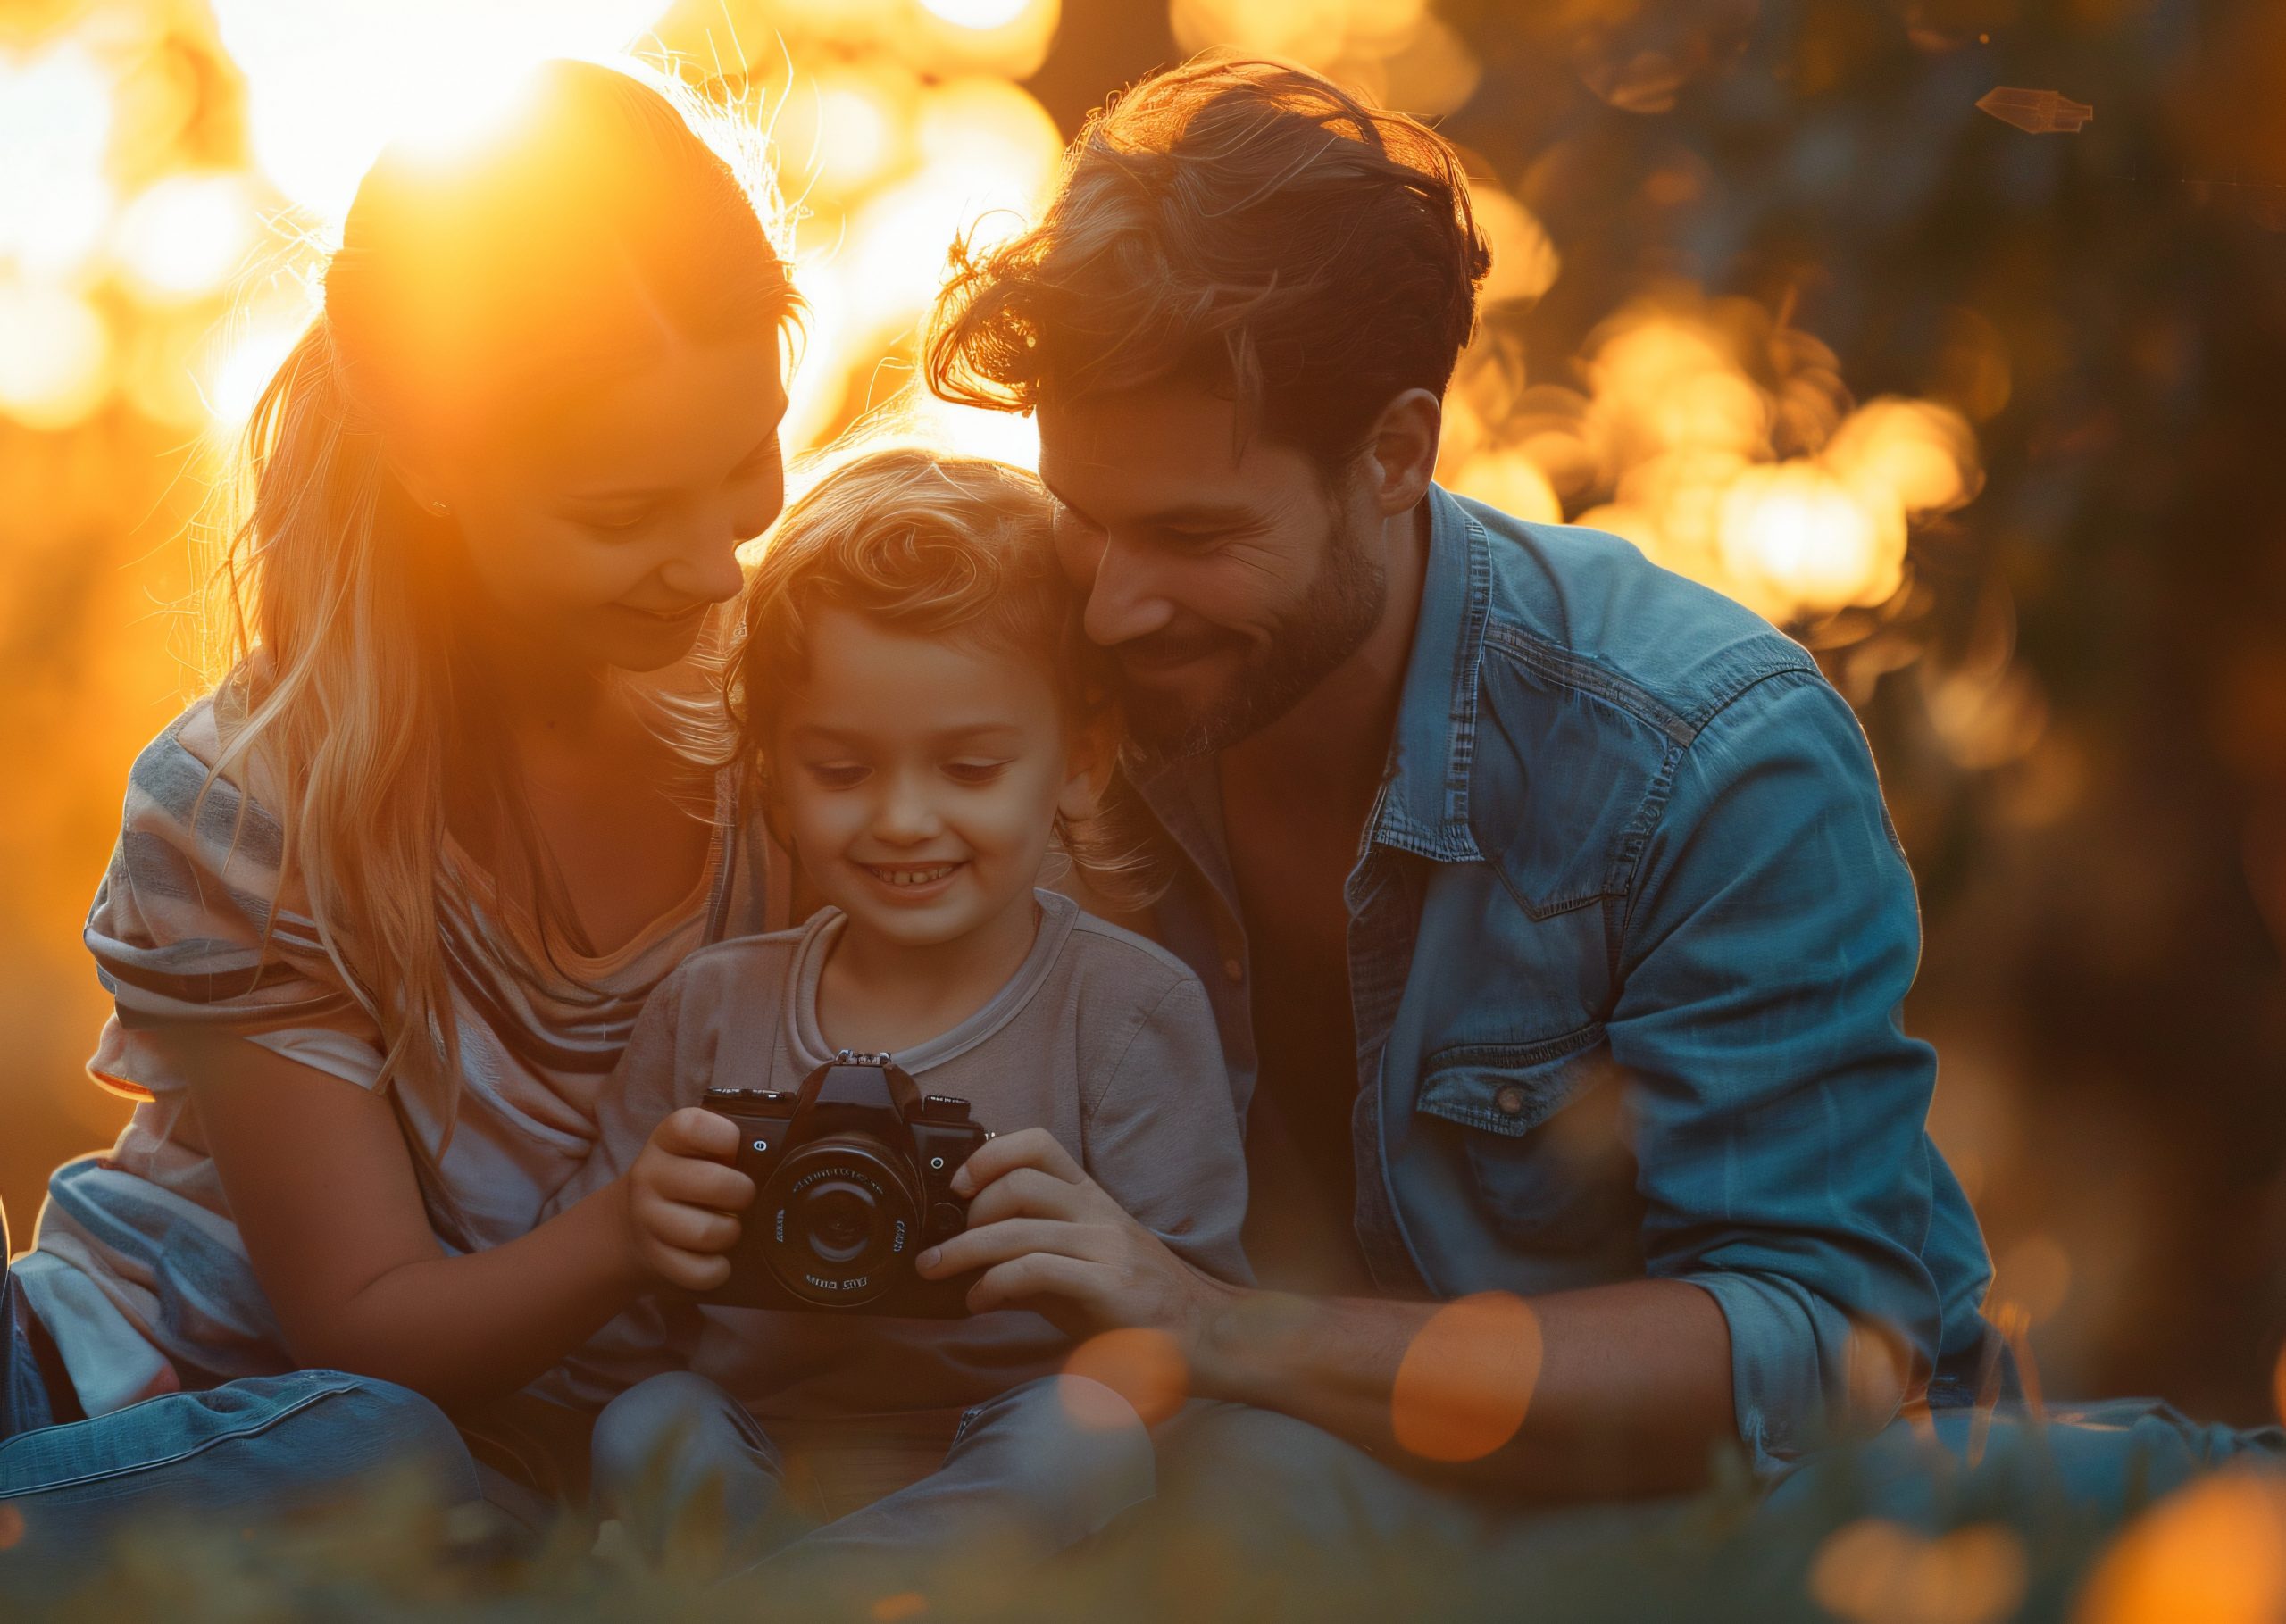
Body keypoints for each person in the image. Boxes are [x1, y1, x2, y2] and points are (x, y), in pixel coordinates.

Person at [909, 52, 2019, 1532]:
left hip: (1795, 1531)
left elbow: (1824, 1349)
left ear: (1393, 453)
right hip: (1305, 1494)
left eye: (1189, 534)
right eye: (1084, 515)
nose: (1112, 606)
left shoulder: (1706, 753)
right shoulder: (1026, 714)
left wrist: (1214, 1320)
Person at [1, 58, 800, 1553]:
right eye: (623, 514)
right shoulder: (251, 803)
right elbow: (359, 1329)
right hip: (103, 1399)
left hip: (461, 1470)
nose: (713, 569)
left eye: (747, 460)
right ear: (434, 453)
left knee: (436, 1486)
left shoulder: (803, 754)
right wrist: (629, 1225)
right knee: (387, 1450)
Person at [545, 446, 1251, 1578]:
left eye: (969, 768)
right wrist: (651, 1229)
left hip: (1010, 1460)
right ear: (771, 770)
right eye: (841, 769)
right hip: (759, 1456)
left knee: (1091, 1431)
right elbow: (607, 1345)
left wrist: (1094, 1256)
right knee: (647, 1423)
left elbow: (1195, 1342)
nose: (904, 818)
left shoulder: (1124, 1010)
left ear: (1081, 757)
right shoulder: (714, 1008)